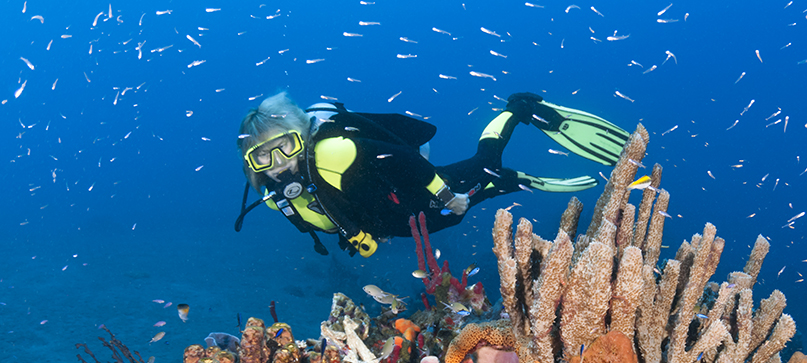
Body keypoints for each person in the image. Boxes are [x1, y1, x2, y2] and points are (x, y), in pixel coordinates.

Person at [235, 92, 630, 257]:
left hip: (417, 191)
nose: (279, 164)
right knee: (473, 191)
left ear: (301, 135)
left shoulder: (333, 151)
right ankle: (503, 182)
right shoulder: (277, 198)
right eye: (262, 158)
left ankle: (518, 111)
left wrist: (444, 196)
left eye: (284, 146)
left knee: (480, 168)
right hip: (400, 213)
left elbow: (406, 162)